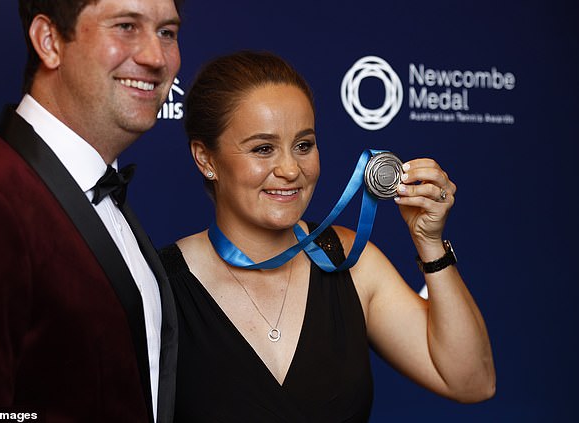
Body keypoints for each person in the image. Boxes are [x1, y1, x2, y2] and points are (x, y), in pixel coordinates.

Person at [157, 51, 496, 421]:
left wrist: (429, 243)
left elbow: (472, 382)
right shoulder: (158, 284)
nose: (290, 169)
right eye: (263, 149)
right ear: (206, 159)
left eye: (303, 145)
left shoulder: (351, 261)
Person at [0, 0, 183, 421]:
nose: (156, 57)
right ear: (49, 40)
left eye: (167, 32)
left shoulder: (99, 187)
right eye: (126, 26)